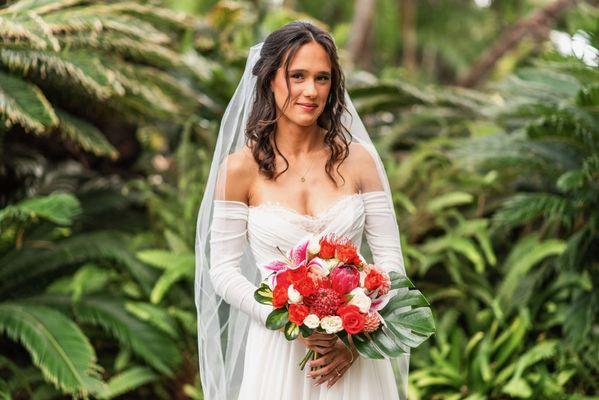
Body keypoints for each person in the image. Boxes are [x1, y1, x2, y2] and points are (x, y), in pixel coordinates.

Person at [195, 21, 410, 400]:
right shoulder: (239, 169)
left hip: (353, 354)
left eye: (322, 78)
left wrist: (357, 338)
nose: (311, 91)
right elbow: (224, 271)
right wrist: (286, 320)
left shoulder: (360, 161)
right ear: (270, 80)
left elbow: (390, 264)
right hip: (277, 354)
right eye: (297, 76)